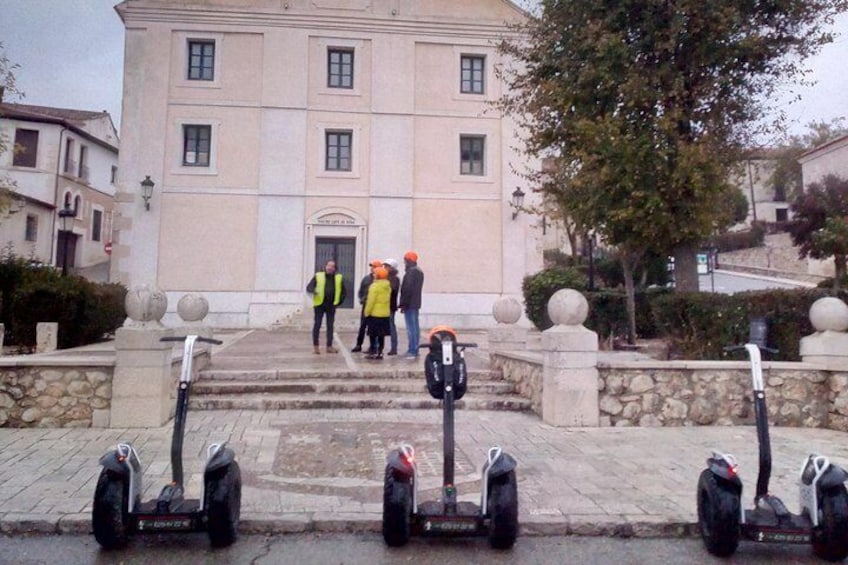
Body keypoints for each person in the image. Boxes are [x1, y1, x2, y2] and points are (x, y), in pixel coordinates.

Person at [305, 260, 346, 354]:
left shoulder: (339, 278)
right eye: (329, 265)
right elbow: (309, 287)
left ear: (335, 268)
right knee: (317, 325)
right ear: (325, 266)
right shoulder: (318, 276)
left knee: (330, 326)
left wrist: (338, 303)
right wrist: (313, 291)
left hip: (331, 305)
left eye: (332, 266)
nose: (330, 268)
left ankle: (329, 346)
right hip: (319, 305)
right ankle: (316, 347)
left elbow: (344, 292)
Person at [352, 260, 383, 353]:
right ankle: (358, 344)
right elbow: (361, 290)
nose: (372, 268)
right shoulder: (366, 279)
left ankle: (373, 346)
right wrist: (361, 298)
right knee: (362, 326)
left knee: (372, 328)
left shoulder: (380, 280)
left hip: (375, 307)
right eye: (372, 267)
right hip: (366, 305)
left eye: (374, 267)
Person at [399, 250, 424, 359]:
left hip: (409, 304)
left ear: (409, 261)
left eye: (405, 261)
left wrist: (403, 304)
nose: (404, 263)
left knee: (411, 328)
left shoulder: (411, 273)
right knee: (415, 327)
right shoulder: (419, 272)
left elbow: (407, 290)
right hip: (416, 303)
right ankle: (415, 349)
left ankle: (412, 350)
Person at [364, 266, 392, 360]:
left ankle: (372, 351)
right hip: (385, 314)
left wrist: (367, 312)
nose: (373, 274)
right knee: (381, 335)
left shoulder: (374, 286)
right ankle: (380, 352)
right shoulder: (388, 286)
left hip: (375, 314)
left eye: (375, 273)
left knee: (372, 334)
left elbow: (370, 301)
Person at [383, 258, 400, 355]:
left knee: (391, 326)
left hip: (390, 306)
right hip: (383, 305)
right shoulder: (384, 277)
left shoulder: (395, 279)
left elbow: (392, 290)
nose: (384, 268)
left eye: (387, 266)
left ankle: (394, 348)